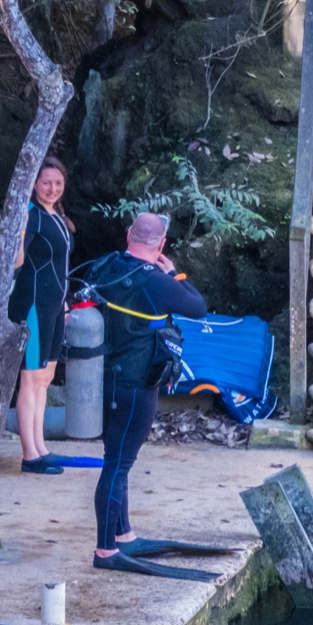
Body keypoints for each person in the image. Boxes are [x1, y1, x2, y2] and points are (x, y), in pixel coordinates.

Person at [81, 213, 227, 581]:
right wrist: (175, 273)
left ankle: (123, 535)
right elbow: (198, 306)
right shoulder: (159, 282)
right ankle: (106, 549)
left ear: (128, 234)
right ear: (161, 245)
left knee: (116, 458)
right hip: (136, 385)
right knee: (118, 464)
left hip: (101, 378)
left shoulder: (105, 267)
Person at [6, 157, 74, 475]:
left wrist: (64, 302)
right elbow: (18, 262)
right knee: (30, 379)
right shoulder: (32, 215)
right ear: (34, 184)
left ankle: (41, 447)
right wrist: (19, 231)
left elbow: (60, 266)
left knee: (45, 378)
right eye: (46, 183)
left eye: (58, 183)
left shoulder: (58, 217)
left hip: (54, 306)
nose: (52, 188)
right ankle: (29, 455)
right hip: (32, 305)